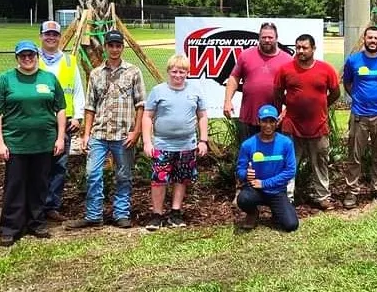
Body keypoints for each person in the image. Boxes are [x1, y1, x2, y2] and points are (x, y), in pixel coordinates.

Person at [65, 30, 145, 230]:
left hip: (123, 134)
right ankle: (93, 215)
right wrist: (86, 135)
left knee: (124, 175)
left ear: (122, 48)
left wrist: (136, 132)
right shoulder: (96, 73)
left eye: (118, 46)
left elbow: (141, 105)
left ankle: (121, 213)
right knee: (92, 174)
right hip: (99, 134)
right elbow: (90, 106)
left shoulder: (133, 72)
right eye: (111, 45)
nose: (115, 49)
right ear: (106, 47)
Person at [0, 40, 66, 247]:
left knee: (40, 185)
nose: (27, 59)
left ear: (37, 56)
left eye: (31, 55)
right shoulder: (5, 80)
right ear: (17, 58)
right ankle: (10, 227)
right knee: (15, 185)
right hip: (16, 144)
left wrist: (60, 137)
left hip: (44, 143)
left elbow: (60, 109)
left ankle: (36, 222)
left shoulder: (48, 78)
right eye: (23, 55)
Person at [142, 54, 208, 230]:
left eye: (182, 72)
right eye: (175, 71)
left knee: (181, 179)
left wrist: (203, 140)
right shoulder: (158, 91)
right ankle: (157, 214)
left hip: (187, 145)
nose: (178, 75)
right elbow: (147, 116)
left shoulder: (195, 91)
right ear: (168, 71)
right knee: (159, 180)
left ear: (188, 72)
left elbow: (202, 116)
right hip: (162, 144)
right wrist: (147, 142)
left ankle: (175, 213)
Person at [274, 34, 340, 210]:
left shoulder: (326, 69)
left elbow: (335, 93)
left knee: (320, 163)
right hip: (292, 126)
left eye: (304, 47)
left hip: (318, 126)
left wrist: (322, 107)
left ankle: (323, 197)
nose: (301, 51)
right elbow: (278, 93)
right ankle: (287, 199)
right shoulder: (285, 69)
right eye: (298, 47)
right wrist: (287, 108)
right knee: (289, 164)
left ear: (313, 49)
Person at [341, 26, 377, 207]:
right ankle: (352, 192)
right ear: (364, 39)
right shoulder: (353, 61)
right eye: (370, 37)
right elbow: (347, 82)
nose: (373, 41)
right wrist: (357, 97)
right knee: (355, 156)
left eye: (376, 38)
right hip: (359, 115)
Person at [37, 20, 85, 222]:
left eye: (55, 34)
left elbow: (77, 90)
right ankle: (35, 205)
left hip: (64, 122)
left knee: (59, 166)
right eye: (47, 34)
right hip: (39, 121)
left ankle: (51, 205)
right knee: (38, 165)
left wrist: (78, 116)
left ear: (59, 37)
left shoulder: (69, 61)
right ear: (41, 36)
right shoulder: (31, 59)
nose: (51, 38)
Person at [223, 22, 293, 142]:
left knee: (272, 157)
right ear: (259, 38)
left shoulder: (287, 59)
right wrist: (227, 101)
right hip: (248, 117)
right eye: (263, 37)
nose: (267, 40)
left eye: (270, 37)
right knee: (248, 156)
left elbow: (294, 89)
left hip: (273, 119)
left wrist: (287, 111)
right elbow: (234, 78)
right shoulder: (245, 55)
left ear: (276, 38)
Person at [235, 105, 299, 232]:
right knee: (243, 199)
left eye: (271, 121)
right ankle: (253, 213)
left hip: (276, 191)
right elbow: (240, 170)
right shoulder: (248, 145)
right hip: (255, 190)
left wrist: (264, 183)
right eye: (264, 121)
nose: (268, 125)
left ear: (277, 122)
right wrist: (245, 175)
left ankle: (276, 211)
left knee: (291, 225)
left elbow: (290, 171)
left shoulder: (286, 143)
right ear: (259, 121)